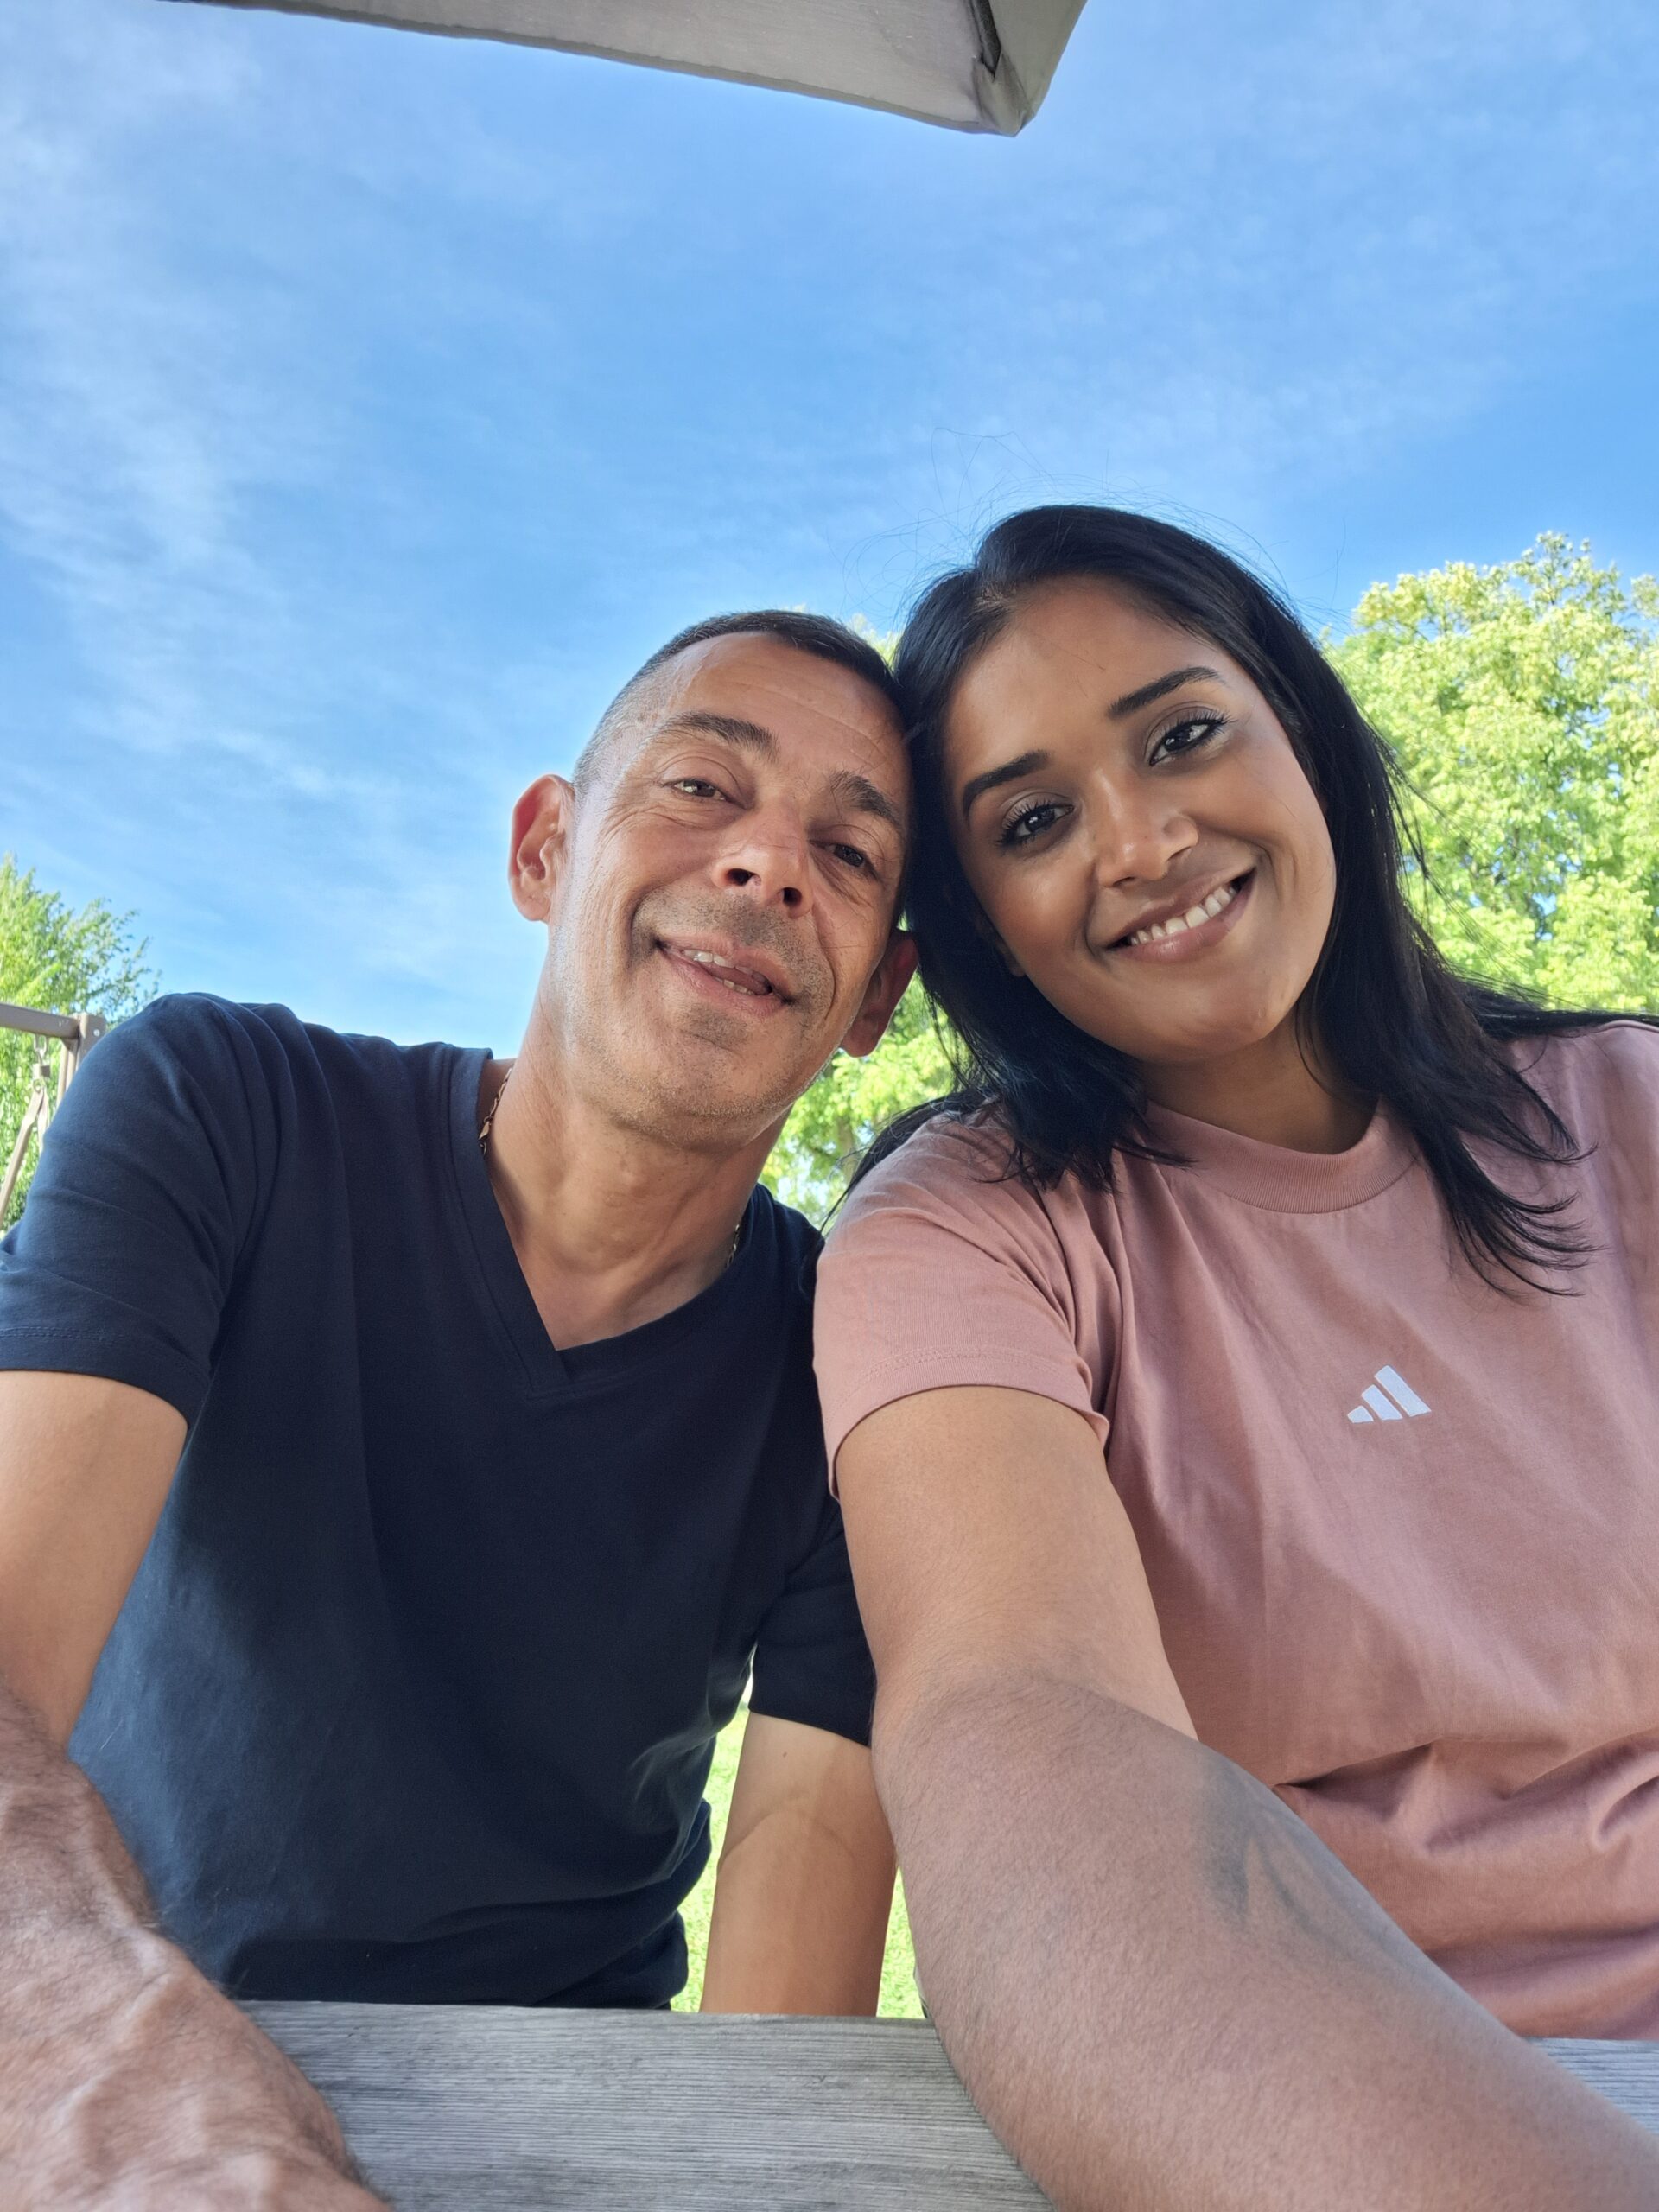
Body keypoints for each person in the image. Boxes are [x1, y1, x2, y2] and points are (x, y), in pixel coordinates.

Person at [0, 608, 916, 2209]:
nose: (769, 864)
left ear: (875, 998)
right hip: (98, 2042)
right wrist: (129, 2075)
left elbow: (786, 2012)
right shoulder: (217, 1110)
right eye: (703, 786)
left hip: (567, 2114)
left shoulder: (863, 1369)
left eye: (848, 853)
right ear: (545, 850)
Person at [813, 506, 1659, 2212]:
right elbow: (1019, 1729)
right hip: (1317, 2114)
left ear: (1302, 727)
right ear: (982, 919)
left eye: (1183, 734)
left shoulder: (1627, 1108)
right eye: (1035, 820)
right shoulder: (959, 1231)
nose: (1140, 842)